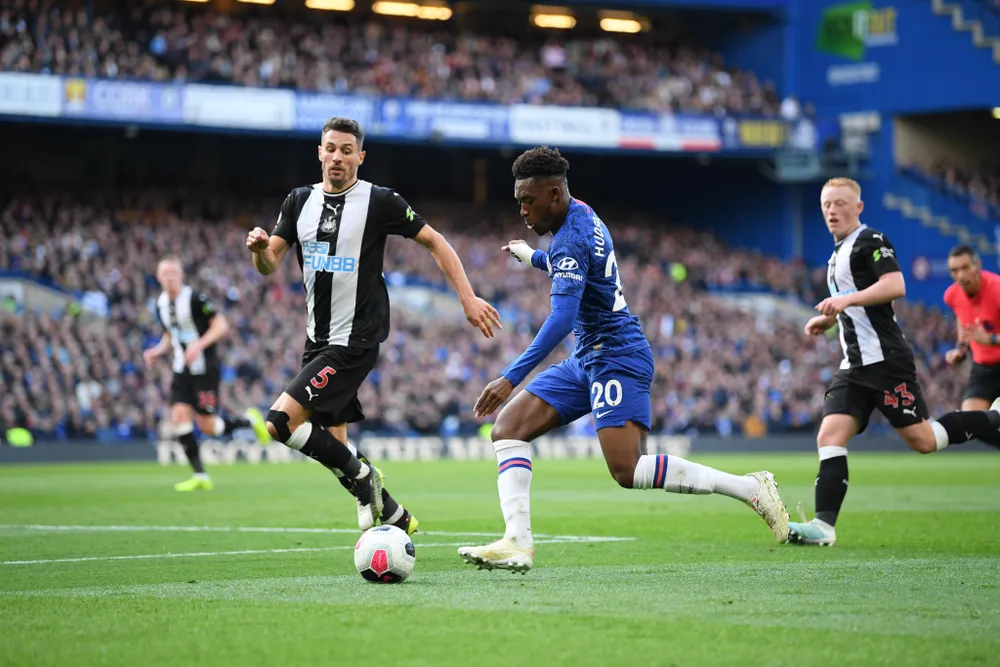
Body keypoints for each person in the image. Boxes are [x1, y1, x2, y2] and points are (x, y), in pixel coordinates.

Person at [457, 146, 789, 574]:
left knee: (627, 470)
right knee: (508, 430)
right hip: (589, 356)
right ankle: (517, 542)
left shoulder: (570, 239)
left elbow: (561, 319)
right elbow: (571, 266)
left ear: (554, 194)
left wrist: (510, 378)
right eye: (519, 199)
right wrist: (533, 257)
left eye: (528, 200)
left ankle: (749, 488)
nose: (522, 209)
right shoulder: (581, 214)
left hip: (616, 355)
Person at [246, 117, 500, 534]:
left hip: (356, 341)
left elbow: (435, 240)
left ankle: (367, 479)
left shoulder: (379, 201)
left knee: (279, 423)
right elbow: (268, 265)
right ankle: (398, 516)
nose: (338, 157)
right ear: (319, 152)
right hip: (317, 340)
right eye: (331, 148)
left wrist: (467, 298)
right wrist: (258, 250)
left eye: (347, 150)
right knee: (337, 451)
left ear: (360, 157)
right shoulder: (297, 202)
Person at [789, 178, 1000, 547]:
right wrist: (830, 318)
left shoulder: (872, 241)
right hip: (853, 365)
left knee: (923, 439)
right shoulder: (837, 253)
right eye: (826, 204)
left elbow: (896, 285)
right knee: (829, 435)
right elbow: (855, 303)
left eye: (840, 203)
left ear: (858, 208)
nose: (832, 210)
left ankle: (995, 417)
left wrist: (845, 301)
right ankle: (824, 527)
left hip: (885, 362)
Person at [143, 257, 270, 491]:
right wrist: (157, 350)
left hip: (205, 369)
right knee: (179, 416)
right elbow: (172, 333)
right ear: (159, 277)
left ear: (181, 275)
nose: (169, 277)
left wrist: (199, 345)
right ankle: (200, 475)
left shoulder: (194, 298)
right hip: (182, 368)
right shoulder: (160, 303)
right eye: (165, 274)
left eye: (173, 273)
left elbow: (221, 325)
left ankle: (249, 421)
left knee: (208, 426)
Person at [943, 245, 1000, 410]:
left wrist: (991, 339)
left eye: (965, 268)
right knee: (971, 421)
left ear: (978, 266)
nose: (960, 275)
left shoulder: (997, 289)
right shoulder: (951, 295)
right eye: (954, 270)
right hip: (983, 368)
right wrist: (960, 348)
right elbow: (962, 319)